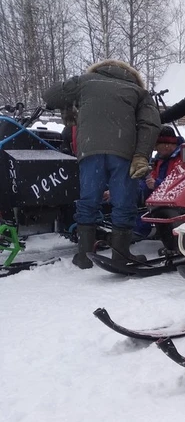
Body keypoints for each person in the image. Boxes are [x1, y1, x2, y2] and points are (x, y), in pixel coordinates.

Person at [43, 59, 161, 269]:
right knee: (123, 202)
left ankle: (84, 255)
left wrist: (72, 101)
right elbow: (150, 124)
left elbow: (50, 96)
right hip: (123, 152)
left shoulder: (85, 82)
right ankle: (121, 256)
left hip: (90, 149)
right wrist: (142, 155)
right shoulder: (138, 92)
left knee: (89, 200)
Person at [133, 126, 185, 239]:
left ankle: (138, 231)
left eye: (157, 145)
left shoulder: (183, 158)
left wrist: (157, 183)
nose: (155, 149)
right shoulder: (160, 158)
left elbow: (181, 182)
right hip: (158, 197)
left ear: (167, 145)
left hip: (171, 202)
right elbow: (154, 176)